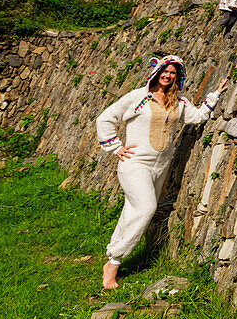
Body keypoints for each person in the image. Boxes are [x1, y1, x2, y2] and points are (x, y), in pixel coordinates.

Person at [95, 56, 224, 288]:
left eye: (173, 73)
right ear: (157, 72)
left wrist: (213, 97)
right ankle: (113, 263)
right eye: (165, 71)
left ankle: (113, 251)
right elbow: (105, 118)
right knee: (146, 208)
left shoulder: (178, 101)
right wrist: (115, 147)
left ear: (178, 76)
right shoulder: (139, 97)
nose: (168, 75)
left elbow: (196, 118)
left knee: (132, 209)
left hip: (160, 167)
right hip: (135, 163)